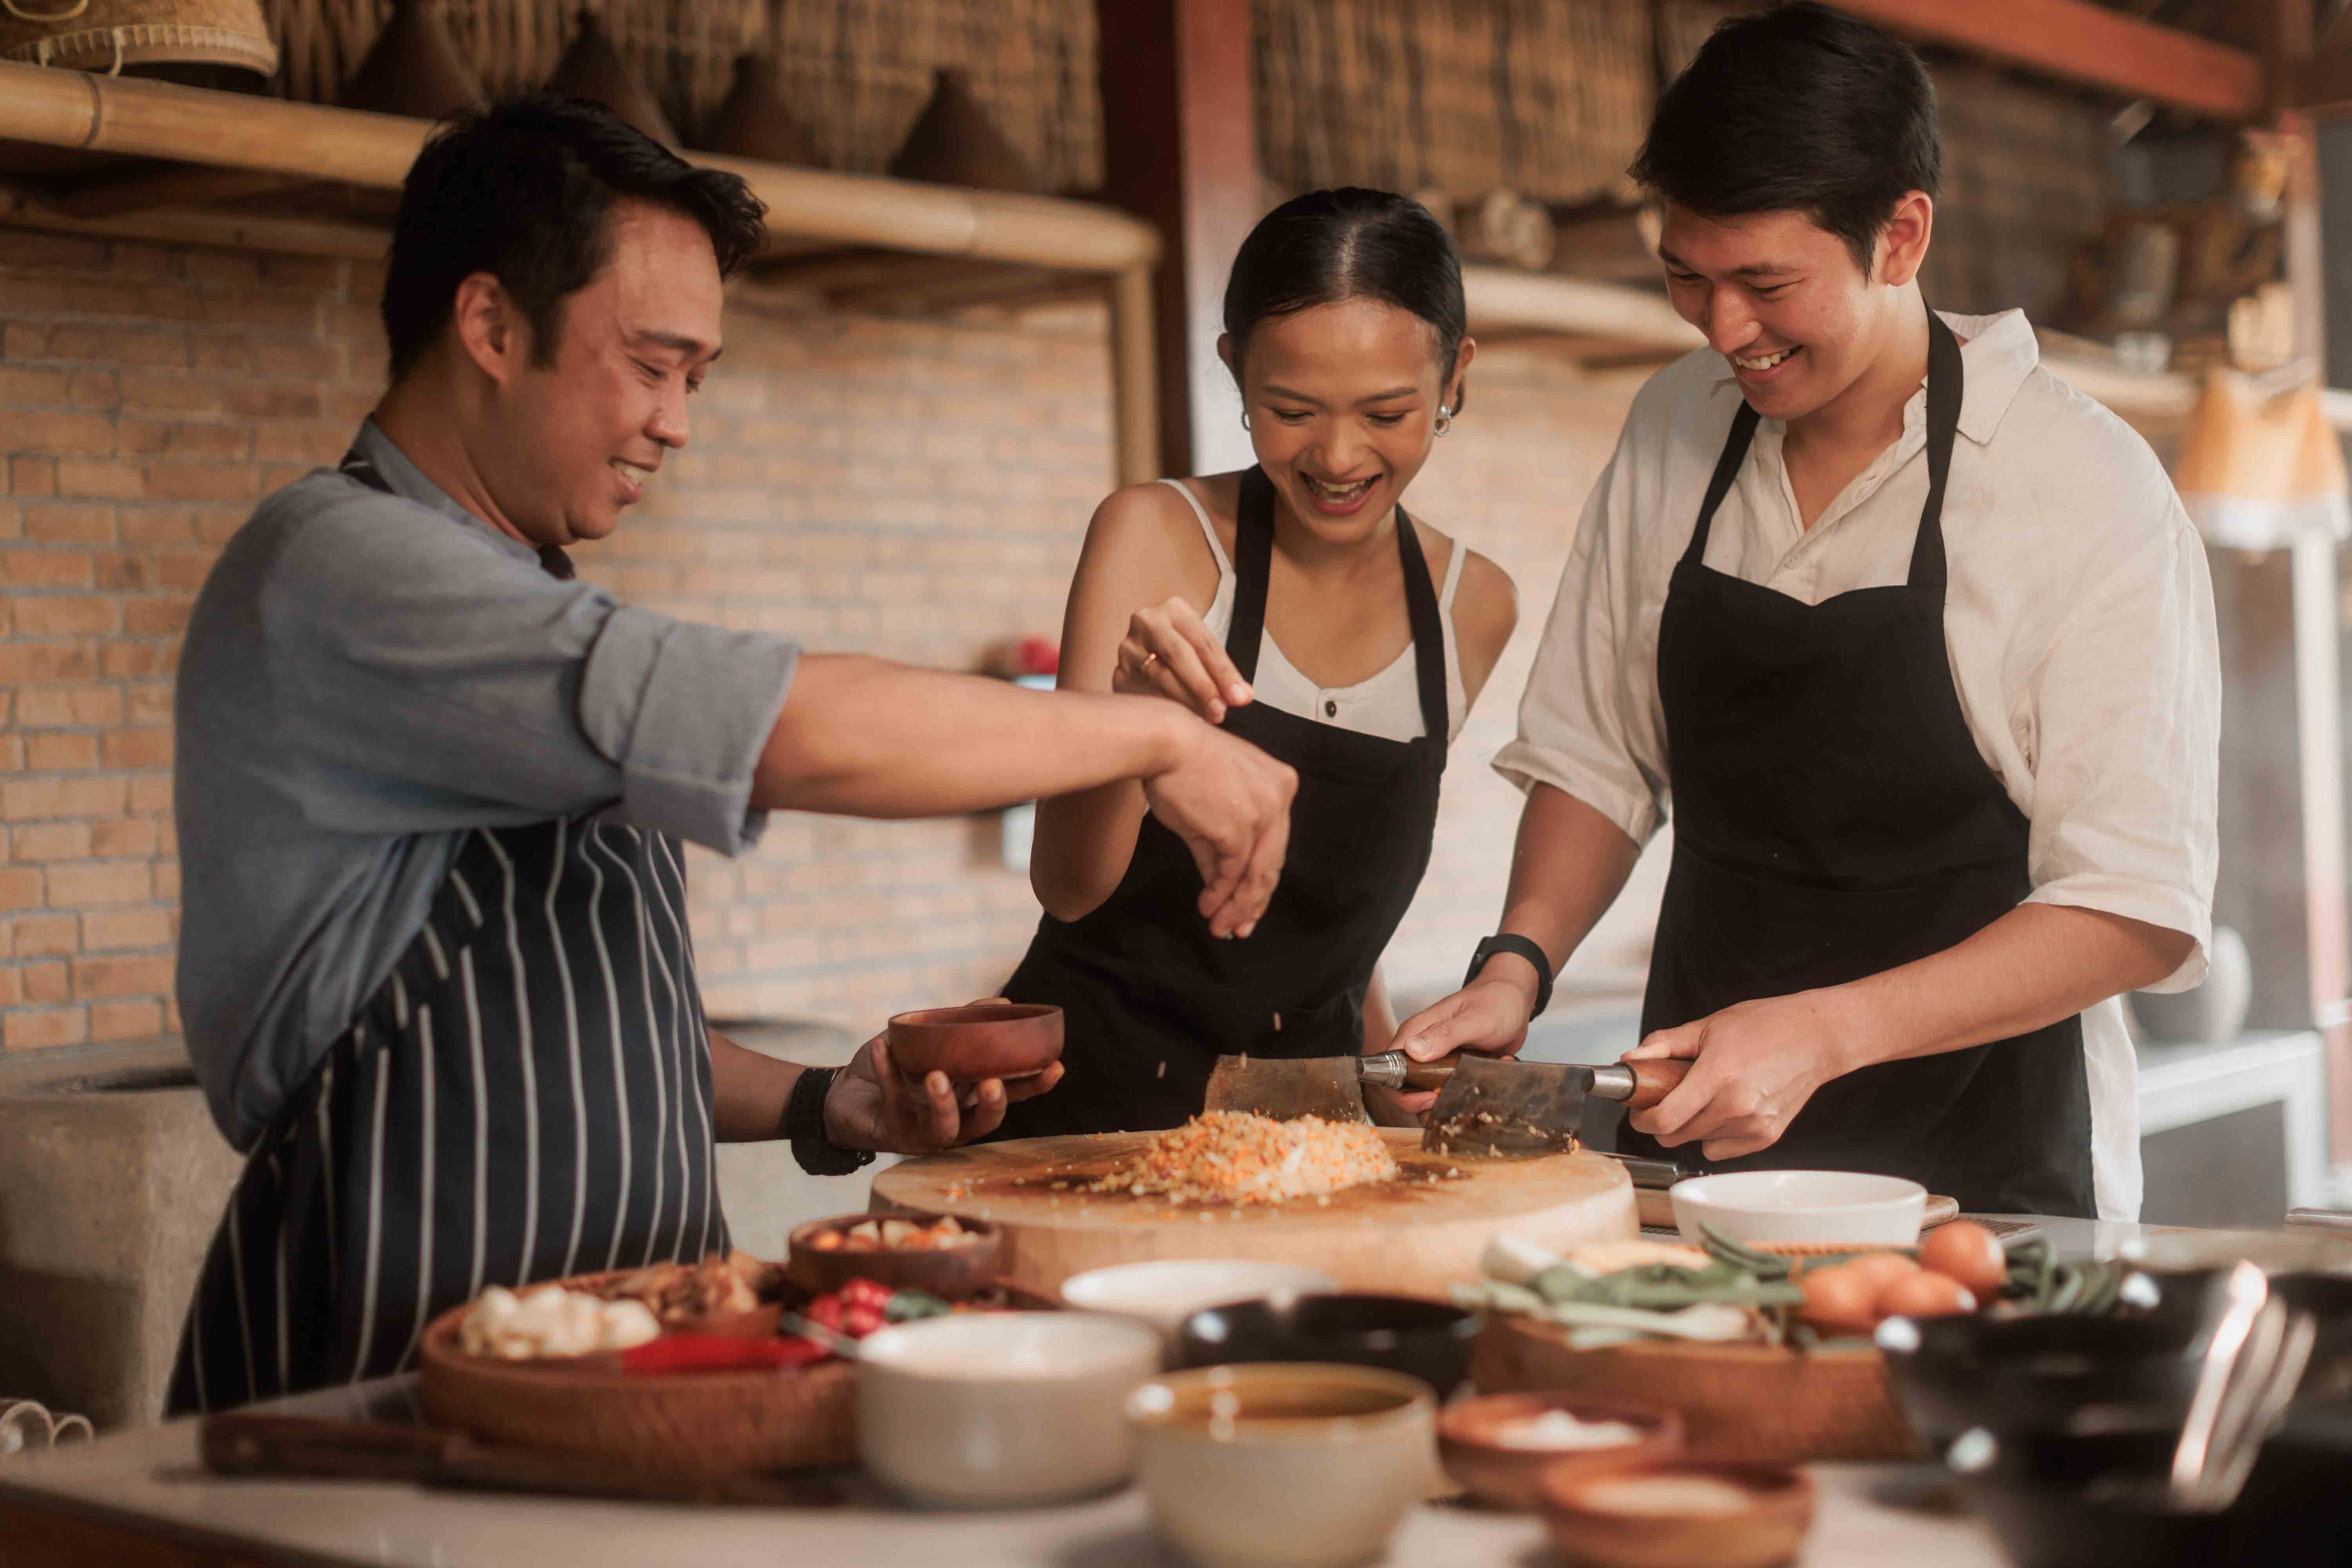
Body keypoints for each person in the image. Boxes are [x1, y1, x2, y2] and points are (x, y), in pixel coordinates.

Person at [166, 97, 1296, 1413]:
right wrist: (1153, 734)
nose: (677, 424)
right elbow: (797, 730)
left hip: (624, 1353)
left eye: (696, 381)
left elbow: (585, 1038)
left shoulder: (517, 598)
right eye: (652, 366)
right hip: (384, 1363)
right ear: (489, 326)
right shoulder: (346, 569)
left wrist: (835, 1102)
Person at [1390, 4, 2218, 1220]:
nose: (1727, 333)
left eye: (1767, 284)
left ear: (1901, 235)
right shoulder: (1678, 424)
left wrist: (1826, 1036)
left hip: (1992, 1183)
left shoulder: (2074, 484)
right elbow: (1599, 756)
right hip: (1700, 1171)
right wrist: (1519, 965)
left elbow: (2134, 906)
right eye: (1688, 277)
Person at [993, 189, 1518, 1137]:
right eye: (1291, 409)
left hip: (1305, 1140)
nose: (1339, 454)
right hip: (1083, 1121)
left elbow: (1327, 934)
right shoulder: (1157, 535)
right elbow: (1067, 887)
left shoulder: (1474, 605)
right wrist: (1134, 728)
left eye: (1388, 412)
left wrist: (1388, 1064)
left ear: (1454, 379)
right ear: (1234, 370)